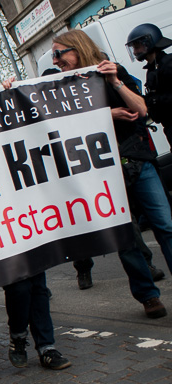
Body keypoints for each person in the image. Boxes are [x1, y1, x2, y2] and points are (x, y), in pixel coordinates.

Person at [51, 30, 172, 320]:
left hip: (137, 162)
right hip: (102, 172)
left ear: (78, 49)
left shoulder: (113, 71)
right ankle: (148, 296)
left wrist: (114, 81)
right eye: (54, 55)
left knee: (166, 225)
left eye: (59, 53)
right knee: (126, 238)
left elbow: (141, 109)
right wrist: (108, 116)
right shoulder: (60, 88)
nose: (56, 61)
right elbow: (61, 128)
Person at [126, 23, 172, 144]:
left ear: (148, 43)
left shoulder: (168, 63)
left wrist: (154, 101)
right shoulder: (152, 69)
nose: (135, 52)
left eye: (137, 47)